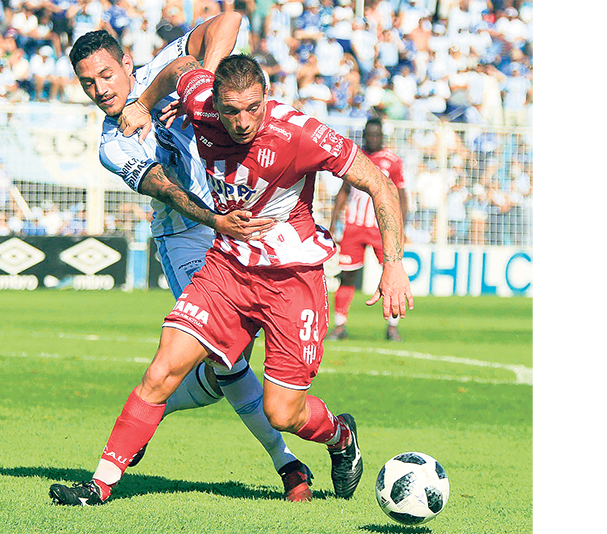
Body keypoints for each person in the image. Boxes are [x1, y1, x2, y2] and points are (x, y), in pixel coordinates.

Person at [49, 53, 412, 506]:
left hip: (292, 277)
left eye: (253, 108)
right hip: (228, 268)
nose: (242, 121)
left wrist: (394, 263)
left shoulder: (299, 133)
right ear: (215, 101)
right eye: (231, 110)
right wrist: (142, 103)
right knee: (162, 369)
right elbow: (182, 66)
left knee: (282, 412)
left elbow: (378, 181)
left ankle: (340, 437)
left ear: (266, 97)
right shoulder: (200, 99)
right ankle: (99, 485)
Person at [50, 18, 313, 506]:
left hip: (243, 220)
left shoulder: (160, 67)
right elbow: (166, 189)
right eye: (88, 82)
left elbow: (230, 20)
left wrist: (203, 89)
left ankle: (155, 410)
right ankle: (287, 465)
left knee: (223, 369)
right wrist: (215, 220)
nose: (99, 89)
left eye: (106, 74)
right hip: (188, 235)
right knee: (227, 360)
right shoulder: (113, 142)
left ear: (127, 63)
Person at [325, 116, 408, 342]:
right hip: (354, 227)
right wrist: (334, 223)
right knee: (347, 276)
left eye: (376, 135)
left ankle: (392, 326)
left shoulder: (393, 162)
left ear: (382, 137)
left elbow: (401, 197)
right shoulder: (355, 158)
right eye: (369, 135)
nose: (372, 138)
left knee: (392, 273)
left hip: (382, 228)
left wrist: (401, 227)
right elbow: (343, 191)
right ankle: (340, 326)